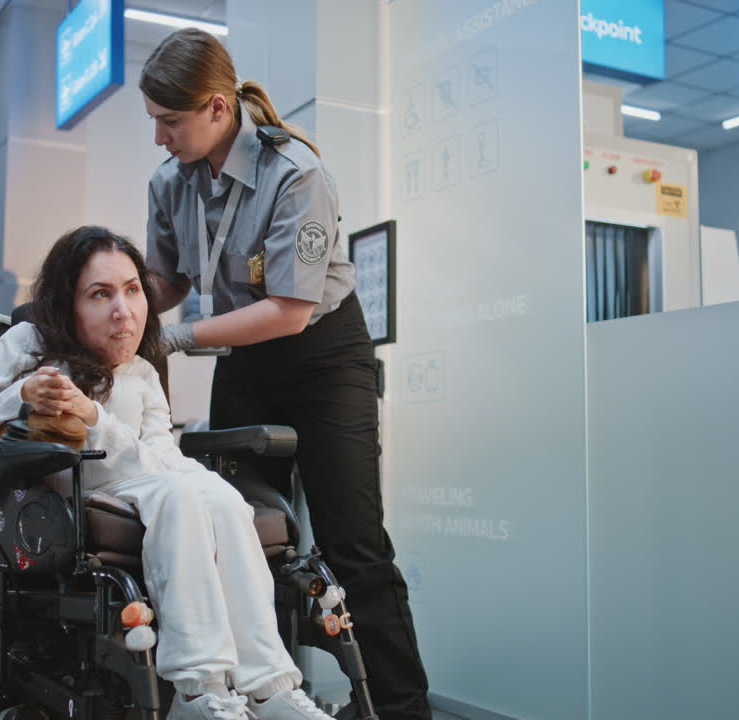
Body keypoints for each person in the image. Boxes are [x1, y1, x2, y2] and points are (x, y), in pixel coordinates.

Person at [140, 29, 432, 720]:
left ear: (215, 108)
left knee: (352, 544)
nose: (159, 138)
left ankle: (402, 710)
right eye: (153, 122)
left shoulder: (294, 172)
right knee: (241, 537)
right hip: (246, 358)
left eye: (170, 122)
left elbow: (291, 310)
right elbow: (167, 279)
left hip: (323, 356)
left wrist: (172, 337)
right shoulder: (168, 181)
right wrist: (113, 303)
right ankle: (268, 700)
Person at [0, 226, 337, 720]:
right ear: (67, 305)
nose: (123, 311)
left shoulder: (142, 371)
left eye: (132, 290)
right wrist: (19, 395)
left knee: (225, 499)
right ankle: (198, 690)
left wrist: (95, 420)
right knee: (181, 496)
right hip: (61, 492)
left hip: (143, 481)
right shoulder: (29, 342)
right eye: (100, 294)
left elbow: (159, 457)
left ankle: (268, 685)